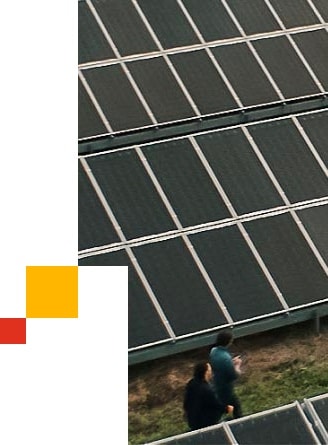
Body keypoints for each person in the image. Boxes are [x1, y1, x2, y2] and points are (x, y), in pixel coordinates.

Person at [183, 361, 233, 430]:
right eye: (210, 370)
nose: (211, 372)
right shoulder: (206, 389)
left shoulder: (191, 383)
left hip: (192, 421)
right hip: (206, 423)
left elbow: (186, 403)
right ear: (206, 372)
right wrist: (227, 409)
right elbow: (215, 404)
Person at [209, 329, 243, 418]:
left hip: (216, 385)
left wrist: (231, 363)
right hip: (225, 389)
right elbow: (234, 375)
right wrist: (237, 365)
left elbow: (220, 365)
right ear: (228, 342)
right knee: (235, 407)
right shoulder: (225, 358)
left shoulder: (213, 351)